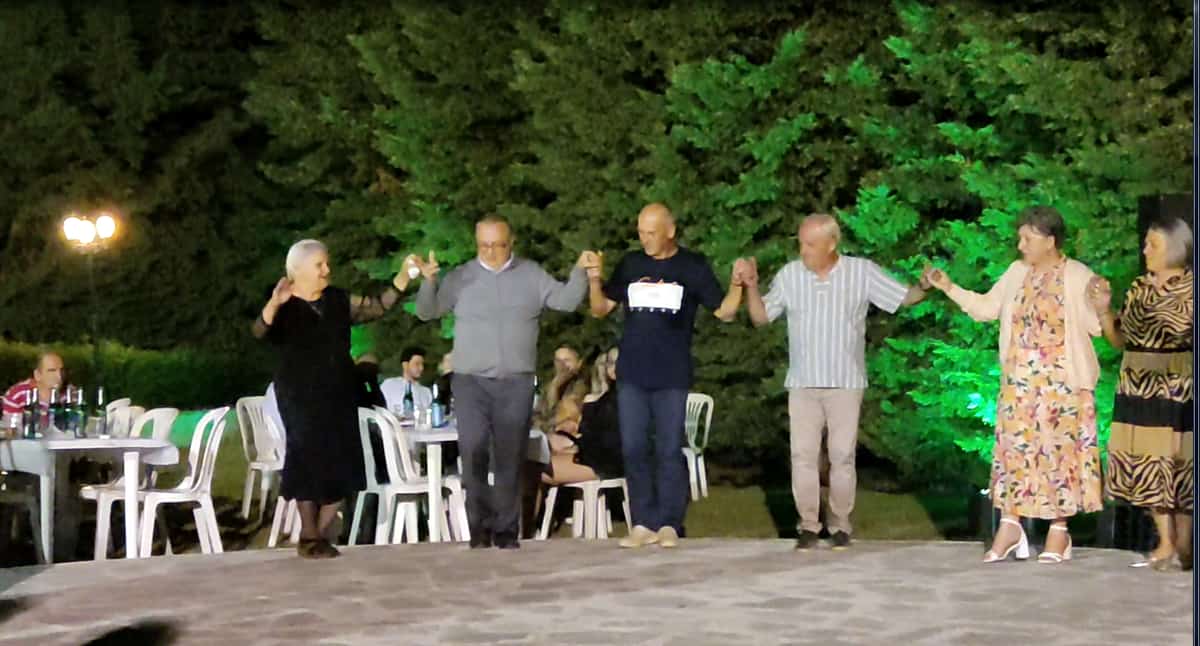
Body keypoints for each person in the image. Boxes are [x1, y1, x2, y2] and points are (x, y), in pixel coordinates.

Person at [924, 206, 1104, 565]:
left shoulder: (1077, 275)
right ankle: (1010, 525)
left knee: (1059, 454)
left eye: (1028, 238)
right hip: (1019, 381)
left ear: (1050, 241)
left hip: (1063, 382)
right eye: (1020, 238)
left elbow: (1097, 326)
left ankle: (1059, 530)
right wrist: (949, 287)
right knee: (1015, 453)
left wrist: (1102, 304)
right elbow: (986, 308)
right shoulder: (1016, 273)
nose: (1021, 245)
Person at [742, 213, 927, 551]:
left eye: (810, 244)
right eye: (801, 243)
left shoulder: (860, 272)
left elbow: (903, 297)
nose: (803, 250)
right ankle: (808, 526)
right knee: (803, 456)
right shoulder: (790, 276)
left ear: (831, 244)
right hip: (803, 383)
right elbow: (761, 316)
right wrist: (751, 286)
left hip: (845, 381)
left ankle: (840, 525)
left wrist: (926, 286)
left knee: (842, 456)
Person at [413, 214, 589, 549]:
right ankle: (479, 528)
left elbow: (566, 301)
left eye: (499, 245)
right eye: (484, 245)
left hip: (515, 381)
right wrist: (429, 282)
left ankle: (507, 529)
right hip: (471, 381)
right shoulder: (461, 276)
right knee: (473, 451)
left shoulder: (531, 274)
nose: (491, 252)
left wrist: (580, 272)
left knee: (510, 457)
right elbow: (427, 311)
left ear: (512, 243)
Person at [584, 203, 744, 549]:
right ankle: (642, 522)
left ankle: (670, 522)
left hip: (672, 373)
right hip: (632, 373)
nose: (645, 240)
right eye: (641, 233)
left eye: (651, 233)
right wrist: (595, 279)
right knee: (634, 448)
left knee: (669, 448)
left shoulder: (691, 266)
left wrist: (737, 285)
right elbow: (600, 309)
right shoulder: (631, 264)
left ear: (670, 232)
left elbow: (724, 311)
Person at [252, 239, 415, 558]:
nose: (327, 270)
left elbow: (376, 306)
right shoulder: (283, 305)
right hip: (299, 393)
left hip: (339, 389)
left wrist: (403, 277)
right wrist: (274, 304)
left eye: (327, 263)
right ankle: (310, 534)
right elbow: (259, 331)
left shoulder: (338, 299)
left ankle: (316, 533)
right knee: (306, 456)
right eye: (319, 265)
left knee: (344, 459)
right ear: (299, 270)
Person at [1091, 216, 1194, 571]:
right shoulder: (1138, 287)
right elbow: (1119, 339)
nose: (1145, 250)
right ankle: (1166, 543)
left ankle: (1183, 545)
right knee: (1148, 465)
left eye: (1153, 244)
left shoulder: (1190, 288)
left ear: (1175, 248)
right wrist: (1104, 311)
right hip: (1136, 384)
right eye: (1146, 243)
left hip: (1175, 385)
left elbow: (1177, 329)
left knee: (1177, 467)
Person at [533, 345, 589, 435]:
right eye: (558, 361)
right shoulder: (550, 384)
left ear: (579, 363)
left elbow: (563, 416)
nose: (562, 365)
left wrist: (554, 387)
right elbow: (538, 414)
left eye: (567, 360)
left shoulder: (582, 385)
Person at [2, 352, 67, 425]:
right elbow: (9, 427)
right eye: (52, 371)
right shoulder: (17, 395)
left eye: (61, 370)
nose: (59, 376)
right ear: (37, 375)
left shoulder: (69, 395)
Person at [380, 347, 433, 413]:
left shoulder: (426, 392)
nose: (421, 368)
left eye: (422, 364)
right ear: (405, 365)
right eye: (417, 364)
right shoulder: (389, 385)